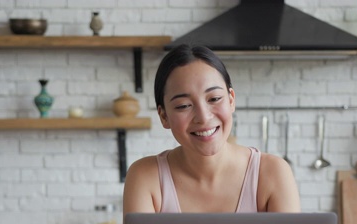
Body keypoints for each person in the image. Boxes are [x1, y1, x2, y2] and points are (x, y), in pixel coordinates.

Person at [123, 44, 300, 214]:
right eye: (184, 105)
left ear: (231, 100)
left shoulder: (272, 173)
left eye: (214, 98)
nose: (203, 117)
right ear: (164, 116)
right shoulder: (145, 177)